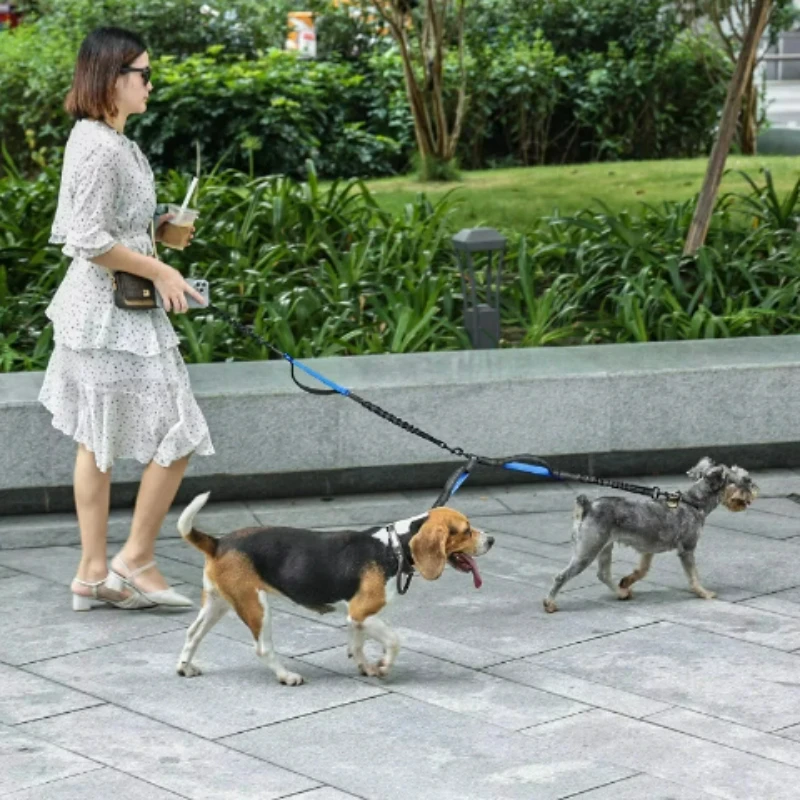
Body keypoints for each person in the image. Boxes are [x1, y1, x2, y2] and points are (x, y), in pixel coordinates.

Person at [39, 27, 214, 612]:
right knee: (178, 430)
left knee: (98, 441)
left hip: (105, 313)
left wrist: (160, 230)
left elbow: (108, 227)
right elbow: (86, 240)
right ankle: (133, 561)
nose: (150, 83)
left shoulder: (108, 140)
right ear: (112, 78)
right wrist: (161, 271)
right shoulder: (98, 145)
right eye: (142, 72)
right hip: (108, 314)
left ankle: (93, 574)